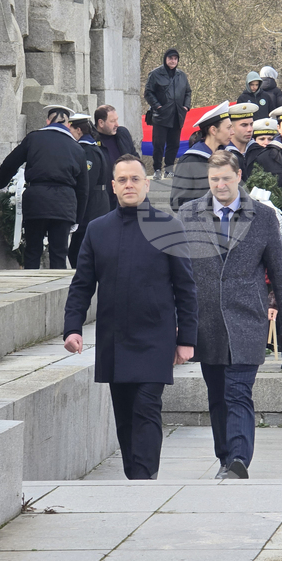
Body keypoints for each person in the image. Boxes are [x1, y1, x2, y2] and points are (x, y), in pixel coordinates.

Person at [63, 156, 199, 480]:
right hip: (115, 339)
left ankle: (144, 479)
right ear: (113, 186)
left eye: (135, 179)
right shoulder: (97, 231)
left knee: (147, 408)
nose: (129, 185)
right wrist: (72, 328)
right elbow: (82, 284)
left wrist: (187, 340)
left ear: (146, 184)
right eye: (122, 180)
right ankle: (133, 476)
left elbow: (186, 288)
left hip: (155, 339)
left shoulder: (168, 227)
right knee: (124, 417)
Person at [178, 152, 282, 478]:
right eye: (214, 179)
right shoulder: (189, 214)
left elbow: (280, 273)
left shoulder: (261, 216)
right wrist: (177, 325)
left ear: (238, 177)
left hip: (248, 319)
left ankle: (239, 459)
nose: (220, 185)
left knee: (238, 391)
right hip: (207, 323)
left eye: (226, 179)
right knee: (217, 395)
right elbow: (177, 273)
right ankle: (225, 460)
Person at [0, 105, 89, 270]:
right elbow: (83, 189)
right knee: (59, 254)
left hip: (36, 200)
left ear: (47, 121)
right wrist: (77, 219)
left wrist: (1, 183)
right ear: (68, 124)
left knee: (32, 251)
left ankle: (30, 288)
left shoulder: (34, 138)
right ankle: (58, 293)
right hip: (64, 203)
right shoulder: (77, 149)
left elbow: (10, 163)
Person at [170, 102, 232, 211]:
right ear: (213, 130)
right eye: (228, 128)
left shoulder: (229, 157)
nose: (232, 132)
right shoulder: (189, 161)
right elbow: (177, 202)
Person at [67, 114, 111, 268]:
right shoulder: (90, 147)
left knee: (78, 251)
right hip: (96, 203)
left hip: (92, 206)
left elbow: (87, 182)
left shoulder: (88, 151)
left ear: (78, 129)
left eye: (70, 128)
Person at [145, 48, 192, 179]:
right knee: (158, 144)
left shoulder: (181, 75)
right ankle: (157, 169)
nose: (173, 61)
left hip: (177, 115)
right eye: (170, 58)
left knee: (174, 144)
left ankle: (169, 169)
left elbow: (188, 92)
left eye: (175, 58)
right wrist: (158, 106)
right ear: (165, 59)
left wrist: (186, 106)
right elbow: (148, 92)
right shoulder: (155, 74)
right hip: (161, 116)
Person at [93, 104, 138, 208]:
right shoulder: (92, 141)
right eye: (112, 121)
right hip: (104, 200)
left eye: (117, 120)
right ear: (101, 123)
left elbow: (135, 157)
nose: (117, 124)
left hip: (126, 194)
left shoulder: (123, 134)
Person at [244, 118, 282, 188]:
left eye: (270, 139)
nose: (266, 143)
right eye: (262, 139)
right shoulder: (250, 158)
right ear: (254, 140)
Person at [225, 102, 258, 173]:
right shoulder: (224, 153)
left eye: (251, 124)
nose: (249, 129)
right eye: (244, 125)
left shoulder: (259, 151)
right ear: (231, 127)